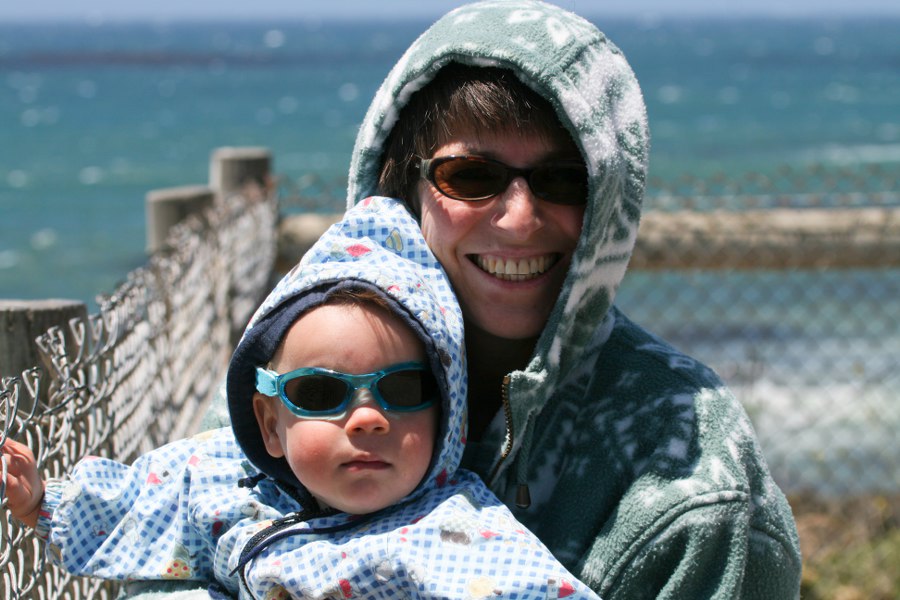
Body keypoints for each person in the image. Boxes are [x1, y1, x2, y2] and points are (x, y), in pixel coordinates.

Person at [344, 1, 802, 598]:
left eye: (563, 180)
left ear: (610, 200)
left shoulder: (697, 488)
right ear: (400, 188)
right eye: (470, 175)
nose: (518, 219)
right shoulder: (304, 371)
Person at [2, 197, 601, 599]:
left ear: (446, 416)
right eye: (320, 393)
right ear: (268, 424)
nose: (367, 418)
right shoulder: (223, 481)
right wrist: (42, 502)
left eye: (402, 390)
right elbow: (138, 503)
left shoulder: (456, 535)